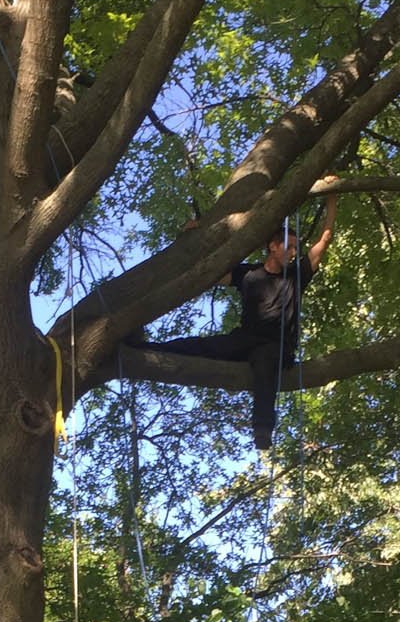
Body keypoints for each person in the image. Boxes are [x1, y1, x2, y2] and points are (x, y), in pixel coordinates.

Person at [143, 192, 337, 451]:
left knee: (266, 362)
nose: (293, 253)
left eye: (296, 248)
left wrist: (332, 199)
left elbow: (324, 240)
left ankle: (263, 428)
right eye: (289, 247)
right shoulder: (248, 274)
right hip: (244, 340)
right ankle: (145, 350)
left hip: (276, 347)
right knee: (200, 347)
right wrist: (194, 236)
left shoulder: (297, 276)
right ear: (273, 246)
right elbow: (210, 272)